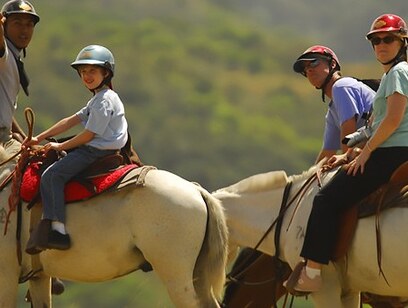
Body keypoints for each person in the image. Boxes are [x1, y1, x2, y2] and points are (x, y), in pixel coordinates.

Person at [285, 13, 408, 293]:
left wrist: (364, 154)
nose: (381, 45)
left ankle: (313, 271)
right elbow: (367, 129)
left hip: (393, 150)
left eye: (388, 39)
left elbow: (392, 121)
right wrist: (350, 152)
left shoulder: (397, 73)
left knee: (327, 198)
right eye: (375, 41)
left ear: (402, 42)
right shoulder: (391, 75)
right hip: (387, 147)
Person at [24, 45, 129, 252]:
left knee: (51, 176)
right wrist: (39, 137)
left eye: (92, 71)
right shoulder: (98, 98)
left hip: (95, 152)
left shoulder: (103, 101)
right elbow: (69, 121)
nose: (86, 76)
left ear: (105, 73)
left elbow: (89, 135)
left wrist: (59, 145)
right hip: (97, 149)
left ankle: (57, 230)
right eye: (83, 72)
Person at [293, 45, 376, 163]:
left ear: (332, 64)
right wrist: (308, 177)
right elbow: (327, 153)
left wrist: (344, 160)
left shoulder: (341, 86)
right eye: (304, 69)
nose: (309, 69)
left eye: (314, 62)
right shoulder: (332, 111)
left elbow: (348, 146)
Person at [0, 0, 39, 155]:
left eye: (29, 24)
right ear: (4, 25)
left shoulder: (14, 58)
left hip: (6, 136)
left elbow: (5, 112)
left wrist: (25, 138)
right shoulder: (4, 53)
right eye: (17, 23)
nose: (24, 30)